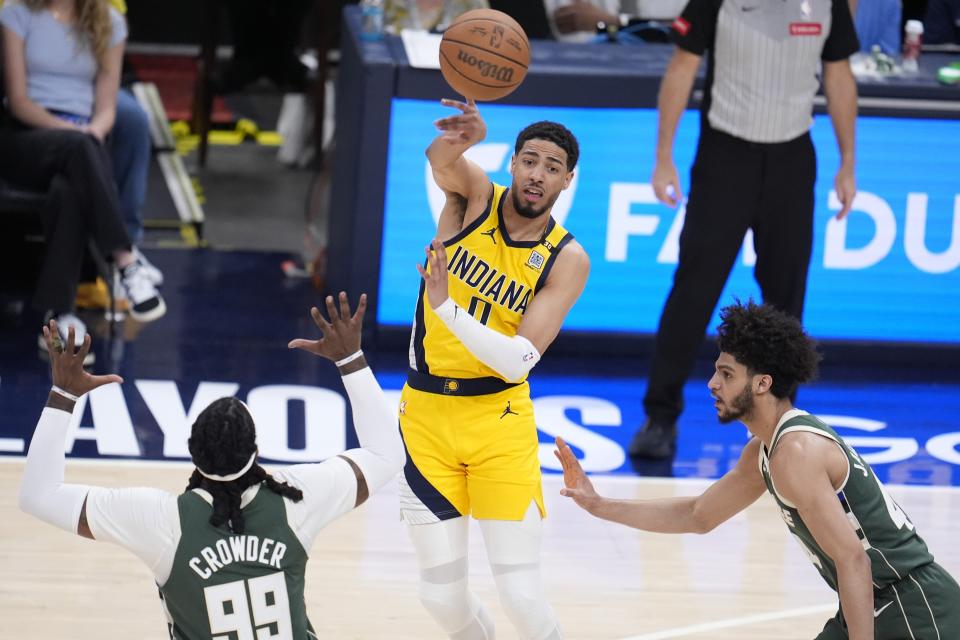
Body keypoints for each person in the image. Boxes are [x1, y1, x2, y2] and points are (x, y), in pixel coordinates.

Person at [557, 301, 960, 639]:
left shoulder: (795, 453)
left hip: (913, 606)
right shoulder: (764, 452)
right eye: (717, 370)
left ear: (763, 383)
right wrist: (598, 505)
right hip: (872, 600)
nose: (713, 383)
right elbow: (698, 515)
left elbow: (853, 559)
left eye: (727, 374)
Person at [19, 292, 407, 639]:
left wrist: (62, 394)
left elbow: (39, 496)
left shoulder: (162, 520)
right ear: (255, 452)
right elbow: (387, 454)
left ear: (193, 454)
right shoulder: (296, 497)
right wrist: (351, 360)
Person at [627, 0, 860, 459]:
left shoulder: (829, 3)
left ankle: (781, 424)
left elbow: (838, 75)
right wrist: (663, 156)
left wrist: (849, 161)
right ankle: (660, 417)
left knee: (786, 300)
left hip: (792, 158)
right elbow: (681, 68)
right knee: (693, 291)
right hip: (725, 156)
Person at [402, 100, 589, 639]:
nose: (538, 174)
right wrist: (465, 135)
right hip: (426, 419)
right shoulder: (474, 198)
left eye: (552, 168)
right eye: (530, 160)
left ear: (567, 180)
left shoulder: (566, 258)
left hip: (498, 422)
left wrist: (445, 309)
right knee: (438, 596)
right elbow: (440, 159)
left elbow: (518, 361)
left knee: (522, 597)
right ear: (512, 163)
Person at [0, 0, 166, 358]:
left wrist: (91, 132)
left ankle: (58, 316)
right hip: (26, 137)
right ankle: (125, 260)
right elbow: (18, 101)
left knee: (70, 190)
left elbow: (106, 108)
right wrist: (76, 135)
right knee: (81, 154)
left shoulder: (110, 22)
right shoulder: (16, 14)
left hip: (83, 140)